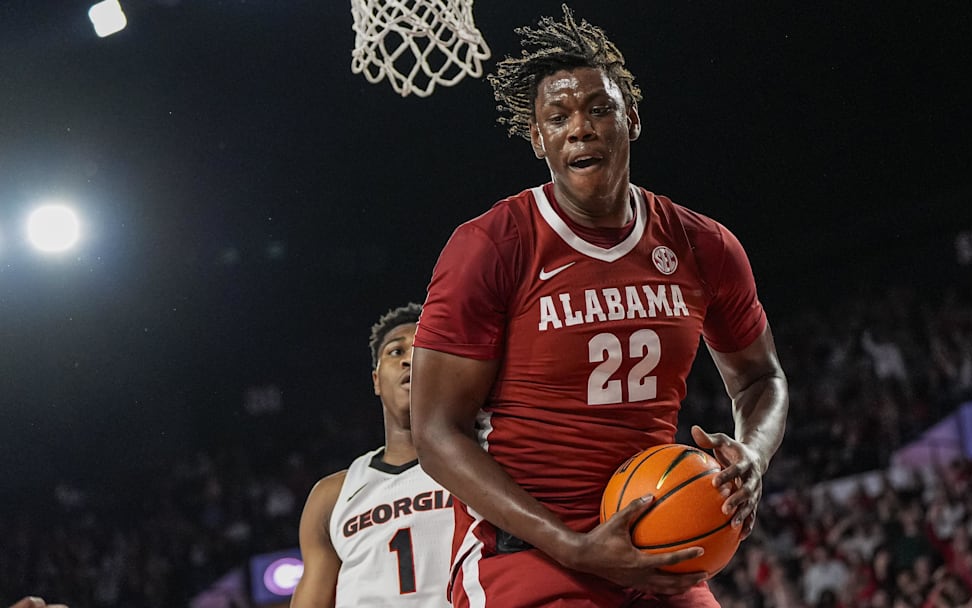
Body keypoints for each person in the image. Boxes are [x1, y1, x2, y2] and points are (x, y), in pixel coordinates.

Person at [410, 5, 789, 607]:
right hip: (529, 553)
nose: (579, 128)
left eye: (598, 109)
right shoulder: (492, 245)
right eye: (558, 117)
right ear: (538, 139)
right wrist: (574, 546)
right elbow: (435, 432)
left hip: (655, 541)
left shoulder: (702, 244)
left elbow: (760, 378)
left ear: (630, 119)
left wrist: (754, 454)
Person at [291, 303, 454, 607]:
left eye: (424, 349)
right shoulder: (331, 496)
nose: (409, 359)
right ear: (376, 380)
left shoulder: (484, 464)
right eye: (396, 351)